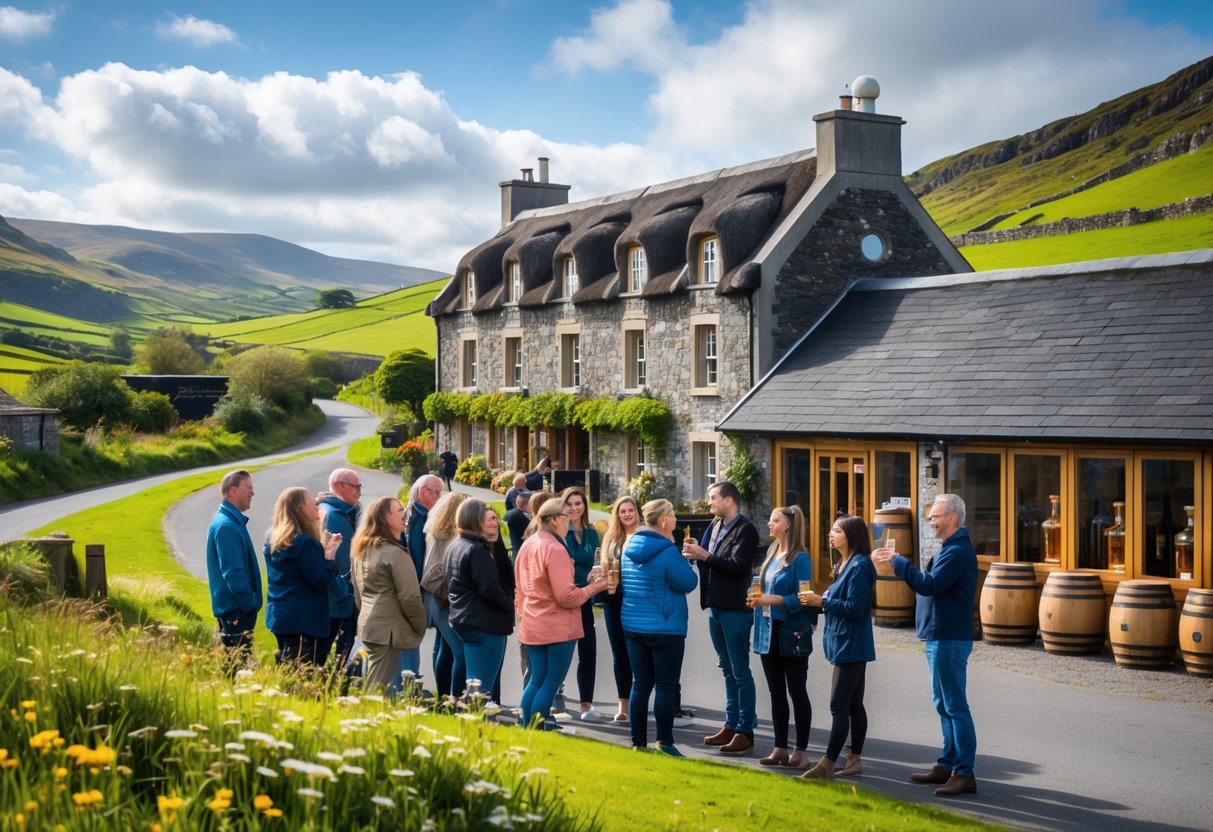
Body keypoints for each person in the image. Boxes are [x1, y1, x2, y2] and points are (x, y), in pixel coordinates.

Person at [873, 493, 979, 797]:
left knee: (955, 706)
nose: (931, 519)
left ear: (953, 519)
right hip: (940, 635)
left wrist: (899, 563)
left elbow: (929, 584)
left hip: (948, 637)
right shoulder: (952, 548)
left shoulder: (957, 551)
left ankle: (964, 772)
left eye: (936, 515)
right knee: (944, 704)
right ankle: (948, 764)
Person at [515, 499, 609, 729]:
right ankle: (535, 728)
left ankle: (527, 728)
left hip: (532, 622)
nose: (568, 522)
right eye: (566, 517)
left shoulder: (530, 543)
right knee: (549, 681)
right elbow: (566, 597)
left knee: (536, 678)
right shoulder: (555, 548)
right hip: (556, 626)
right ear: (556, 519)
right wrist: (595, 588)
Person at [683, 481, 761, 756]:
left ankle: (745, 730)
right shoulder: (714, 526)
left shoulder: (747, 530)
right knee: (726, 669)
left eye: (714, 497)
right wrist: (695, 554)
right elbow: (709, 562)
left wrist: (705, 554)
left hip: (736, 608)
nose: (710, 502)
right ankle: (731, 724)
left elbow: (737, 567)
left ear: (729, 501)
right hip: (715, 605)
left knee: (740, 671)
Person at [799, 513, 876, 779]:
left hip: (852, 644)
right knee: (854, 704)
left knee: (838, 704)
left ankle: (828, 763)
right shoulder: (845, 563)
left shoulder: (860, 567)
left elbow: (855, 608)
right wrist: (817, 603)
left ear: (850, 536)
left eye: (836, 530)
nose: (830, 534)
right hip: (842, 642)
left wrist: (822, 602)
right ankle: (853, 759)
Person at [620, 499, 698, 756]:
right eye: (673, 515)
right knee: (665, 685)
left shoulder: (629, 545)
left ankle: (637, 742)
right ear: (663, 520)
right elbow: (688, 582)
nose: (676, 520)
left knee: (640, 684)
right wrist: (689, 563)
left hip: (633, 623)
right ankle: (664, 742)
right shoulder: (667, 551)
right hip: (666, 626)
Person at [747, 505, 817, 769]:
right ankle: (780, 748)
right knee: (776, 692)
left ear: (787, 524)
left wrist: (770, 599)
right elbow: (762, 587)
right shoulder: (772, 551)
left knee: (797, 691)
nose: (769, 523)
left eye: (774, 520)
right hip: (768, 630)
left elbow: (804, 598)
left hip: (792, 632)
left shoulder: (801, 558)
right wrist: (755, 597)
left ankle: (801, 750)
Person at [350, 496, 426, 694]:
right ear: (384, 518)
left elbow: (358, 594)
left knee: (374, 682)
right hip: (387, 630)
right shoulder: (394, 553)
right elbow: (410, 597)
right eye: (399, 510)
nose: (404, 514)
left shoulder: (362, 549)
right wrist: (419, 625)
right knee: (377, 689)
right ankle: (367, 721)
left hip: (369, 625)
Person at [445, 498, 515, 700]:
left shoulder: (456, 544)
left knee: (473, 681)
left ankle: (466, 720)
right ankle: (475, 724)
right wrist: (512, 606)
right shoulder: (476, 549)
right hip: (484, 623)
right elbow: (490, 589)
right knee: (482, 688)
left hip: (463, 619)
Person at [264, 487, 340, 666]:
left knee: (288, 667)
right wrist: (329, 556)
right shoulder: (305, 542)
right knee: (301, 673)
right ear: (299, 507)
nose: (317, 506)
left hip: (280, 615)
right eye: (312, 503)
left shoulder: (273, 538)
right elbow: (321, 580)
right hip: (303, 620)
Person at [205, 470, 261, 672]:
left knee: (237, 667)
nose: (252, 493)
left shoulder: (230, 520)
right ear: (233, 491)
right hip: (236, 610)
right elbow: (233, 573)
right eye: (249, 489)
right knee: (236, 670)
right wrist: (249, 604)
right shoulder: (226, 525)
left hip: (236, 609)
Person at [419, 491, 469, 698]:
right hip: (444, 596)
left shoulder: (435, 530)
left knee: (444, 647)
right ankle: (455, 699)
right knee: (460, 651)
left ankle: (442, 696)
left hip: (432, 593)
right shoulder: (453, 536)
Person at [561, 486, 604, 721]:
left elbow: (594, 563)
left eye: (579, 503)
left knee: (588, 651)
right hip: (563, 600)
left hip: (585, 598)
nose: (575, 508)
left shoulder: (590, 534)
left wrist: (594, 574)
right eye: (570, 503)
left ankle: (586, 704)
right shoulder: (558, 532)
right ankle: (554, 699)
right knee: (561, 651)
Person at [599, 495, 639, 724]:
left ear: (637, 512)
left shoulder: (643, 534)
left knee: (639, 651)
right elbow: (604, 566)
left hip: (637, 600)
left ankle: (640, 697)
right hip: (613, 599)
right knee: (619, 653)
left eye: (630, 510)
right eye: (622, 511)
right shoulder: (610, 538)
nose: (626, 514)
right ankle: (623, 703)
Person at [319, 468, 361, 670]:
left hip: (339, 595)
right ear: (338, 486)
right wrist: (347, 593)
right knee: (337, 650)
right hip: (339, 596)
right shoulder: (333, 515)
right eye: (355, 486)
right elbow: (342, 560)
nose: (359, 491)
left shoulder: (340, 512)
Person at [408, 474, 445, 684]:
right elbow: (418, 556)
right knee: (413, 639)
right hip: (420, 587)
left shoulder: (423, 514)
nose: (439, 496)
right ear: (423, 492)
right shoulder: (417, 517)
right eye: (436, 492)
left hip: (421, 586)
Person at [483, 504, 516, 705]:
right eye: (490, 519)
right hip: (486, 613)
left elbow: (506, 571)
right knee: (487, 661)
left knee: (497, 660)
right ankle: (486, 700)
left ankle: (495, 700)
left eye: (496, 518)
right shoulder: (476, 548)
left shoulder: (498, 545)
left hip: (501, 611)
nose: (495, 522)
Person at [503, 491, 532, 558]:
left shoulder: (509, 513)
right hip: (519, 548)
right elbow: (529, 533)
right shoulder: (519, 516)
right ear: (522, 504)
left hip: (511, 546)